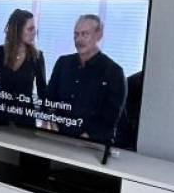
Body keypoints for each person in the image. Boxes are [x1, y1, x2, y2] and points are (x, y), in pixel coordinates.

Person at [46, 14, 126, 143]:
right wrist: (49, 120)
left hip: (92, 144)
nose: (79, 39)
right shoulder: (63, 63)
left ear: (99, 35)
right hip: (57, 136)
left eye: (85, 34)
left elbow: (109, 118)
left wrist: (83, 139)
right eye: (76, 34)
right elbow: (49, 99)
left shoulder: (114, 72)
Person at [0, 9, 47, 126]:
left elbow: (42, 90)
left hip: (25, 119)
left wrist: (45, 118)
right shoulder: (0, 52)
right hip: (1, 116)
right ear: (17, 30)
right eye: (30, 29)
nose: (34, 33)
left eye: (34, 29)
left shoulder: (37, 57)